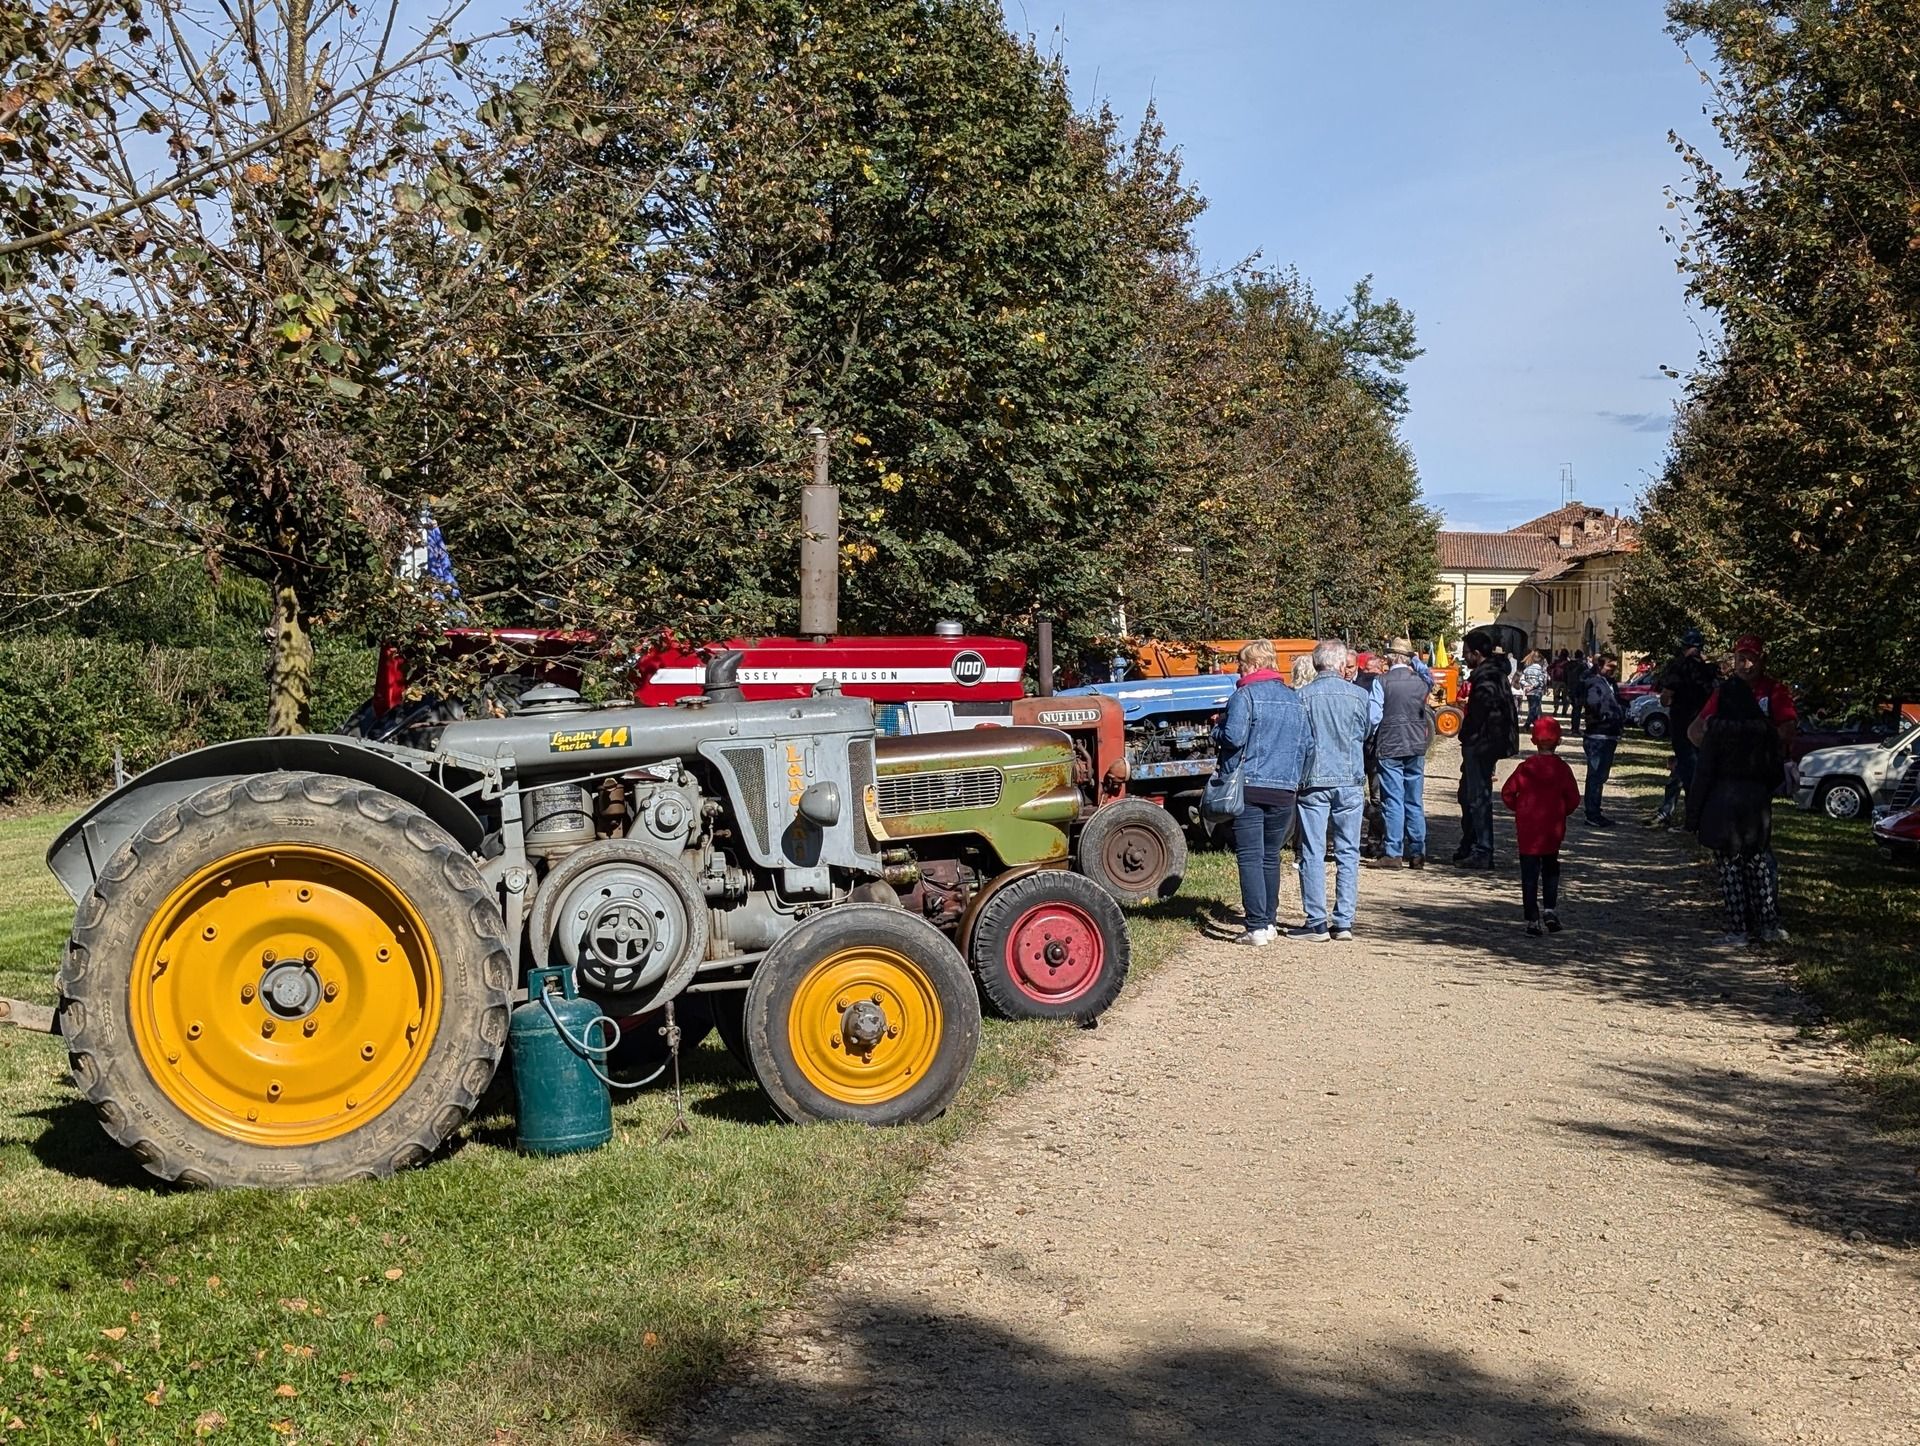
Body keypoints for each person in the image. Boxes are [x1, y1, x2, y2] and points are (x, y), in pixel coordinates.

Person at [1217, 640, 1313, 947]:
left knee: (1249, 855)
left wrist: (1216, 729)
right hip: (1285, 788)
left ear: (1254, 665)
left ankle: (1256, 926)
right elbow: (1309, 747)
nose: (1238, 670)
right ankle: (1269, 921)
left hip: (1251, 786)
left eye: (1242, 664)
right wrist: (1297, 779)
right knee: (1271, 855)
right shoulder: (1295, 700)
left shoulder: (1244, 696)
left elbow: (1233, 737)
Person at [1686, 676, 1789, 947]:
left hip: (1722, 804)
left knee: (1729, 869)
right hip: (1756, 805)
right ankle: (1768, 924)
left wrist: (1693, 815)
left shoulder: (1717, 732)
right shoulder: (1765, 731)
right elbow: (1776, 771)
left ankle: (1738, 929)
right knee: (1759, 865)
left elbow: (1704, 774)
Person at [1292, 640, 1371, 941]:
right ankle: (1344, 921)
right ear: (1341, 665)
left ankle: (1316, 921)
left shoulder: (1303, 697)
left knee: (1313, 850)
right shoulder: (1360, 696)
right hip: (1349, 777)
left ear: (1316, 665)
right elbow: (1364, 732)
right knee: (1348, 851)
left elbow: (1301, 738)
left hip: (1314, 778)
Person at [1500, 716, 1582, 935]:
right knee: (1551, 866)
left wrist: (1519, 809)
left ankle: (1532, 919)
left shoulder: (1526, 767)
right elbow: (1573, 798)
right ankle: (1550, 909)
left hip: (1528, 828)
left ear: (1534, 741)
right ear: (1559, 741)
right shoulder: (1562, 769)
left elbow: (1507, 792)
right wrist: (1561, 812)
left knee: (1529, 873)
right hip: (1552, 827)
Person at [1453, 629, 1518, 868]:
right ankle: (1469, 843)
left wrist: (1468, 735)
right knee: (1466, 795)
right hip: (1483, 744)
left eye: (1466, 653)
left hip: (1482, 745)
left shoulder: (1487, 678)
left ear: (1477, 653)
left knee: (1478, 798)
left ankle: (1483, 850)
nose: (1464, 657)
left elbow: (1484, 715)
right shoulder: (1493, 674)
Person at [1367, 637, 1433, 870]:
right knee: (1414, 799)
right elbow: (1430, 676)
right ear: (1409, 658)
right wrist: (1417, 661)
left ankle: (1393, 852)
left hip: (1390, 744)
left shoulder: (1381, 681)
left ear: (1390, 657)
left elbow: (1374, 718)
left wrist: (1368, 737)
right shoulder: (1421, 682)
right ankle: (1417, 851)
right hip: (1416, 743)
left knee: (1393, 800)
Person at [1647, 628, 1717, 828]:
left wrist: (1668, 701)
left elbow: (1666, 696)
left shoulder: (1679, 667)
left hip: (1682, 724)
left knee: (1688, 772)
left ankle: (1692, 822)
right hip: (1703, 727)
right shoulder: (1709, 670)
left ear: (1684, 647)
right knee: (1691, 769)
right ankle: (1668, 811)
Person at [1687, 634, 1798, 750]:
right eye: (1741, 659)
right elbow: (1694, 732)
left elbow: (1788, 732)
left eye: (1752, 659)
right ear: (1734, 660)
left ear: (1762, 661)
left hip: (1764, 762)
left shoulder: (1776, 690)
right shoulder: (1723, 692)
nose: (1746, 665)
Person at [1580, 653, 1625, 826]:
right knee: (1595, 775)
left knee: (1601, 776)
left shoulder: (1611, 683)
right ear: (1600, 666)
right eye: (1610, 667)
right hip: (1597, 735)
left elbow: (1617, 702)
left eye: (1615, 667)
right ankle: (1592, 813)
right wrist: (1607, 715)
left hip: (1609, 735)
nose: (1613, 671)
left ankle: (1595, 810)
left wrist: (1620, 713)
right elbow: (1593, 703)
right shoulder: (1594, 683)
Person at [1520, 650, 1548, 724]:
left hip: (1529, 692)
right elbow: (1541, 681)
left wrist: (1527, 685)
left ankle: (1535, 723)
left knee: (1532, 707)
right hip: (1537, 691)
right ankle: (1528, 723)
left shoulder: (1526, 669)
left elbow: (1521, 680)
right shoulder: (1540, 670)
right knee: (1534, 708)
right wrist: (1533, 686)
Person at [1564, 650, 1588, 735]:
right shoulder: (1583, 665)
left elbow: (1565, 676)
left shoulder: (1569, 665)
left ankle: (1574, 727)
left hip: (1571, 689)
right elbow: (1586, 677)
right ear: (1582, 656)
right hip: (1579, 690)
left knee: (1575, 709)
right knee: (1578, 709)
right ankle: (1576, 729)